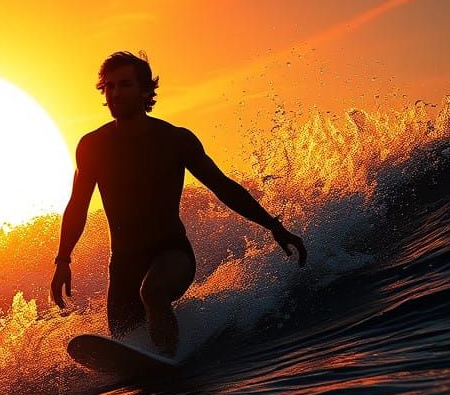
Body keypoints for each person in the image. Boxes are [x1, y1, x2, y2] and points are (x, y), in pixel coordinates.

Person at [52, 51, 306, 355]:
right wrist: (63, 259)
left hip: (172, 253)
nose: (115, 93)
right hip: (123, 265)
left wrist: (273, 225)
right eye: (109, 86)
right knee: (126, 343)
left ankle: (172, 361)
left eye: (125, 85)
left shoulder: (175, 140)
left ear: (146, 91)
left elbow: (222, 187)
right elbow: (78, 204)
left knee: (154, 292)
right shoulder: (92, 146)